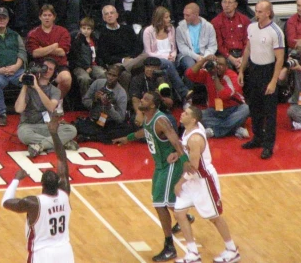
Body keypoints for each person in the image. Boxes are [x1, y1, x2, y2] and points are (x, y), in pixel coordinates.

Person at [113, 91, 191, 262]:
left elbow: (176, 141)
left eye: (146, 99)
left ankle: (170, 246)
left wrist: (185, 162)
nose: (141, 100)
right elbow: (146, 132)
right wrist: (128, 138)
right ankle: (184, 214)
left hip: (170, 165)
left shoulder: (161, 120)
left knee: (158, 202)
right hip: (160, 165)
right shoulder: (148, 118)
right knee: (160, 198)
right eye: (142, 97)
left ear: (154, 105)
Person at [172, 105, 241, 263]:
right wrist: (177, 154)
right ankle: (192, 253)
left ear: (194, 119)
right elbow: (187, 151)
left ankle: (232, 250)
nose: (182, 114)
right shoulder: (190, 128)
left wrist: (179, 184)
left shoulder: (196, 138)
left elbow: (194, 168)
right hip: (192, 180)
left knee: (214, 217)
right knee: (179, 213)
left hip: (203, 180)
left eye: (186, 113)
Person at [2, 114, 74, 263]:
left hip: (43, 254)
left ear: (41, 184)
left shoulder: (33, 202)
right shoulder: (64, 193)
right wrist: (54, 134)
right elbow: (62, 160)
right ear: (59, 183)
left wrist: (16, 179)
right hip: (65, 252)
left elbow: (6, 202)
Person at [239, 0, 284, 160]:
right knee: (254, 108)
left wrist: (273, 81)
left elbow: (280, 59)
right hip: (254, 70)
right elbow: (248, 48)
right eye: (256, 10)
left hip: (268, 70)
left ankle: (268, 145)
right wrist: (242, 70)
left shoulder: (276, 31)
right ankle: (257, 137)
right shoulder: (251, 27)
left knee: (269, 112)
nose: (256, 14)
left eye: (259, 11)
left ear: (268, 13)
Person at [15, 58, 78, 157]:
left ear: (54, 73)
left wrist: (37, 87)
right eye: (45, 68)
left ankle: (40, 145)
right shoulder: (28, 88)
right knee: (23, 135)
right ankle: (62, 143)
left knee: (71, 130)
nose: (47, 71)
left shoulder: (55, 91)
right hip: (29, 125)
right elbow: (18, 109)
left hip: (48, 125)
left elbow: (50, 107)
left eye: (51, 69)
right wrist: (25, 85)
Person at [0, 6, 27, 127]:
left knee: (29, 81)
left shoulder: (15, 35)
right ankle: (1, 113)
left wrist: (16, 67)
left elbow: (22, 53)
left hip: (16, 70)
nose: (1, 20)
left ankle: (26, 110)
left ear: (7, 20)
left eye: (4, 18)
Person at [186, 54, 250, 139]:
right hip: (215, 110)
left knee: (246, 109)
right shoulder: (207, 73)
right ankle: (234, 129)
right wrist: (204, 60)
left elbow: (223, 95)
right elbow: (189, 74)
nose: (218, 67)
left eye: (221, 65)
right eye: (216, 64)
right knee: (197, 115)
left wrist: (214, 76)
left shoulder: (232, 76)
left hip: (233, 109)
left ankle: (215, 131)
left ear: (226, 66)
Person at [76, 63, 132, 143]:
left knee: (126, 129)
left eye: (114, 76)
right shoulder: (97, 83)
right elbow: (85, 101)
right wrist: (95, 100)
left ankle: (91, 137)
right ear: (106, 73)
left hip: (109, 123)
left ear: (118, 77)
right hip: (95, 119)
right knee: (80, 126)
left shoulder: (121, 93)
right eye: (109, 74)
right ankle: (96, 136)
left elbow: (120, 119)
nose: (110, 78)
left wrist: (109, 107)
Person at [26, 6, 73, 98]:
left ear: (54, 17)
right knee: (35, 79)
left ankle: (57, 102)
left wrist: (42, 49)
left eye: (49, 15)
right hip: (40, 65)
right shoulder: (33, 33)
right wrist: (53, 46)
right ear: (40, 17)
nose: (47, 17)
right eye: (44, 15)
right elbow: (35, 53)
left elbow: (62, 52)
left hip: (59, 65)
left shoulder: (63, 31)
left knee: (66, 78)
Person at [211, 0, 250, 70]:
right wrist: (232, 59)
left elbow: (247, 41)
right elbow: (219, 45)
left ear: (235, 4)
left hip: (242, 52)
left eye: (230, 2)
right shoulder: (215, 22)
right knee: (223, 63)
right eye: (224, 2)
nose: (226, 5)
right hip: (226, 54)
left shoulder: (244, 20)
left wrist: (243, 58)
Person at [176, 2, 217, 73]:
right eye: (184, 15)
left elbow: (212, 46)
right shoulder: (180, 28)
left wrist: (205, 58)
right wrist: (197, 57)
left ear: (196, 15)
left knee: (212, 66)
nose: (185, 18)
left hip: (205, 54)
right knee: (191, 66)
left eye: (187, 15)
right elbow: (182, 47)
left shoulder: (209, 26)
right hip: (187, 55)